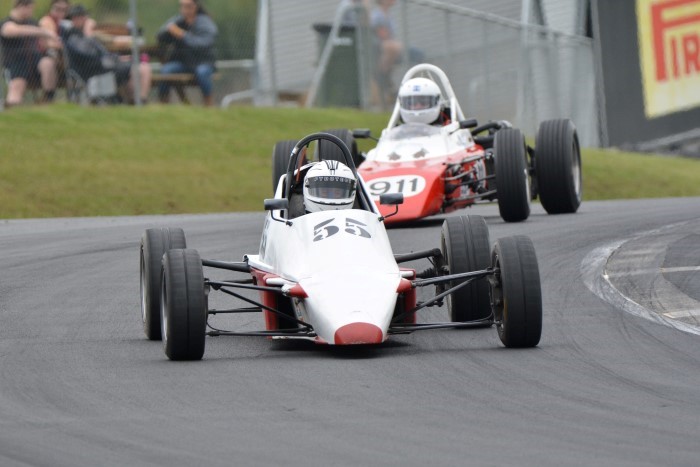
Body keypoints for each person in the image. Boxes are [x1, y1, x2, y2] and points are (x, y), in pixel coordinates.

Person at [63, 4, 151, 104]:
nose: (86, 19)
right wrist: (89, 35)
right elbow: (89, 53)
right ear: (74, 19)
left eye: (85, 16)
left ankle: (137, 101)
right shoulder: (72, 35)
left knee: (141, 67)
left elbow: (104, 52)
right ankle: (138, 102)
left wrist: (117, 58)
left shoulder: (85, 34)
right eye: (82, 17)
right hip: (93, 72)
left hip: (105, 67)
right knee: (137, 69)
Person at [156, 0, 217, 106]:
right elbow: (160, 37)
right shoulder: (178, 20)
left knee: (202, 73)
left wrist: (183, 35)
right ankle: (163, 104)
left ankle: (208, 104)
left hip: (203, 62)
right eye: (182, 6)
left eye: (188, 6)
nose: (184, 9)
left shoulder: (205, 22)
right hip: (183, 63)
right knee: (166, 70)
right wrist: (168, 30)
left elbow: (203, 43)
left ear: (195, 6)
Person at [1, 0, 61, 106]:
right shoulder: (7, 23)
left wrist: (56, 43)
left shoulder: (32, 22)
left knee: (47, 63)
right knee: (17, 87)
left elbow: (44, 44)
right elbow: (12, 30)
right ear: (22, 6)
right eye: (30, 8)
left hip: (36, 60)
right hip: (17, 63)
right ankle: (12, 109)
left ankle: (48, 98)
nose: (31, 11)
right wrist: (44, 32)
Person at [370, 0, 402, 107]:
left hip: (386, 48)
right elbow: (383, 35)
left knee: (397, 47)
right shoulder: (377, 15)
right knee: (394, 47)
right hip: (377, 48)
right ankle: (382, 78)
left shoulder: (388, 15)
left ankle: (385, 79)